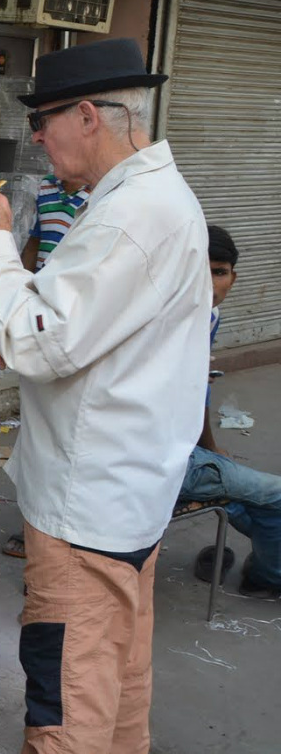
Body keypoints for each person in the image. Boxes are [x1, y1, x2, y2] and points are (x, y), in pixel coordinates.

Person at [0, 38, 210, 754]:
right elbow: (71, 318)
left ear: (90, 118)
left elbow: (45, 339)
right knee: (118, 689)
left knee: (68, 705)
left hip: (87, 512)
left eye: (44, 120)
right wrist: (9, 316)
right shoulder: (139, 200)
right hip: (127, 498)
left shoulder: (135, 213)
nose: (37, 137)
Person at [183, 226, 281, 599]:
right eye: (198, 269)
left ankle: (265, 566)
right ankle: (266, 578)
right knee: (275, 499)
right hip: (158, 460)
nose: (209, 282)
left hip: (184, 452)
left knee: (252, 499)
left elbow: (198, 391)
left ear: (233, 278)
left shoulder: (210, 317)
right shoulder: (162, 321)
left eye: (219, 271)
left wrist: (209, 446)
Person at [1, 173, 91, 557]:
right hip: (39, 311)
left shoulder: (98, 197)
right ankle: (34, 528)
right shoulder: (48, 189)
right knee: (36, 432)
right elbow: (35, 243)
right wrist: (17, 294)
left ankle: (56, 539)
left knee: (63, 435)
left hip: (69, 315)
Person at [20, 175, 91, 271]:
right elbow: (34, 244)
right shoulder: (46, 184)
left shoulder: (102, 192)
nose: (49, 159)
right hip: (40, 282)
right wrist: (21, 283)